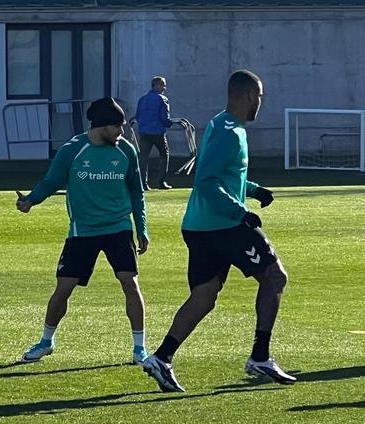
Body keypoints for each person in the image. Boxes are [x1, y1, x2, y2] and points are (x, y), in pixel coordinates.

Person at [142, 70, 295, 393]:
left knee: (205, 295)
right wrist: (241, 212)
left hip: (199, 225)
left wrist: (253, 190)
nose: (261, 103)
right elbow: (206, 181)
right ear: (248, 95)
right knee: (274, 276)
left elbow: (224, 176)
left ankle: (162, 357)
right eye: (260, 97)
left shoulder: (223, 124)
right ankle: (260, 356)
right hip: (222, 225)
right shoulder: (229, 132)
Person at [16, 97, 150, 365]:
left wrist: (141, 229)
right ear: (101, 126)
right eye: (118, 127)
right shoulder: (72, 150)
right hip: (83, 231)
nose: (121, 133)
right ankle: (46, 341)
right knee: (63, 288)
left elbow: (137, 191)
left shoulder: (126, 151)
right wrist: (31, 199)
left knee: (130, 283)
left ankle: (139, 349)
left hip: (118, 227)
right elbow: (52, 180)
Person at [135, 76, 173, 190]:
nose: (165, 88)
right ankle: (161, 181)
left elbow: (138, 115)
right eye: (164, 85)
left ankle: (143, 183)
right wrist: (168, 124)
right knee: (164, 154)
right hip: (157, 132)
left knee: (143, 157)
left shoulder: (142, 99)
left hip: (144, 132)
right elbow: (164, 117)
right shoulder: (162, 99)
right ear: (159, 85)